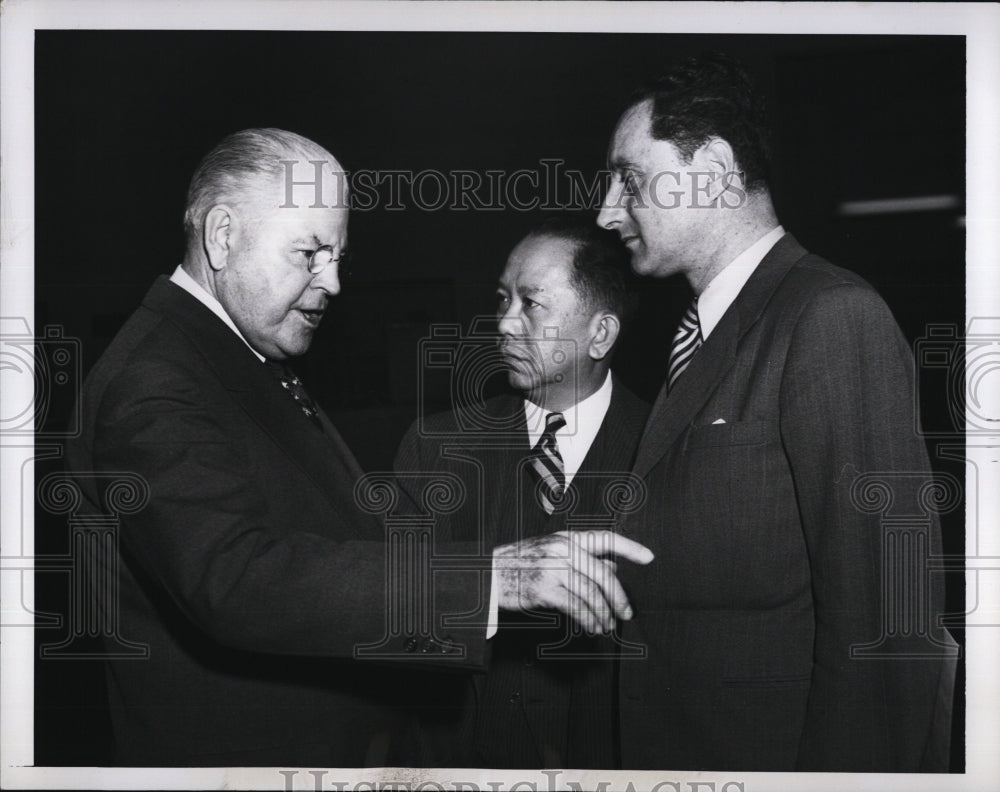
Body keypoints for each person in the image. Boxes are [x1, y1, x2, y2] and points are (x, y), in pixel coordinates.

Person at [65, 128, 649, 767]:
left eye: (337, 257)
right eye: (311, 253)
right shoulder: (155, 380)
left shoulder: (235, 359)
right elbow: (236, 579)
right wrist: (494, 576)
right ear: (223, 236)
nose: (335, 283)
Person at [597, 54, 955, 771]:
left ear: (717, 168)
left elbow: (888, 626)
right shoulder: (692, 338)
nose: (606, 210)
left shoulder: (829, 316)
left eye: (627, 178)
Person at [394, 217, 650, 768]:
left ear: (600, 334)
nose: (505, 324)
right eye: (502, 299)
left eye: (530, 303)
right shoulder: (434, 447)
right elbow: (390, 613)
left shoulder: (667, 451)